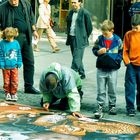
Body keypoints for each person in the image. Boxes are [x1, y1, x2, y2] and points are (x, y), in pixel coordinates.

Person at [0, 0, 40, 94]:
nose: (14, 2)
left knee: (30, 62)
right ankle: (10, 88)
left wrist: (34, 31)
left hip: (26, 36)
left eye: (15, 0)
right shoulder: (2, 7)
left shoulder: (25, 4)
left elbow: (31, 18)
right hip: (12, 39)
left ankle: (29, 86)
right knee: (12, 64)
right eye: (11, 0)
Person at [92, 20, 123, 119]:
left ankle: (112, 105)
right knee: (101, 89)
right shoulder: (100, 39)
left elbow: (121, 52)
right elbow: (94, 49)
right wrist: (98, 52)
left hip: (113, 69)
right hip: (101, 68)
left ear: (112, 30)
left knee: (112, 88)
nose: (104, 34)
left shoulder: (117, 40)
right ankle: (100, 105)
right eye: (103, 33)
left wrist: (117, 61)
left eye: (106, 33)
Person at [66, 0, 93, 79]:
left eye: (75, 2)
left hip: (80, 39)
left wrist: (84, 36)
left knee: (76, 58)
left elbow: (89, 28)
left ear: (80, 2)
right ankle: (81, 73)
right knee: (76, 57)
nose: (73, 4)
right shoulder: (70, 12)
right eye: (72, 2)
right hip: (71, 37)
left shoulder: (85, 13)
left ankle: (71, 75)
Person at [123, 14, 140, 117]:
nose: (134, 29)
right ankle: (130, 108)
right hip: (131, 66)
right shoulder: (128, 34)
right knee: (130, 87)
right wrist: (127, 62)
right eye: (133, 27)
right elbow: (125, 50)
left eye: (136, 27)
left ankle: (139, 105)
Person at [0, 27, 22, 101]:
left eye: (11, 38)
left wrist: (19, 62)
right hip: (5, 67)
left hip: (14, 66)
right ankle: (7, 93)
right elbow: (1, 54)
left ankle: (13, 93)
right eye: (8, 38)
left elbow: (19, 53)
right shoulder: (2, 43)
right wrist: (1, 64)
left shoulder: (16, 43)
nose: (10, 39)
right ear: (5, 35)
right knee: (6, 82)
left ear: (14, 35)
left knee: (14, 81)